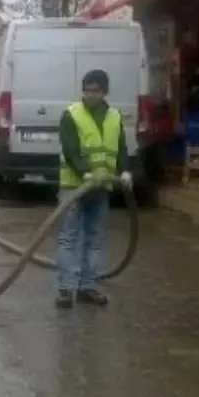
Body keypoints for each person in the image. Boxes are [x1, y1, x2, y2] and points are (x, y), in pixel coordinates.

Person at [56, 69, 133, 309]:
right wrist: (84, 172)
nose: (90, 95)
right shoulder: (71, 115)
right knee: (69, 237)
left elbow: (120, 148)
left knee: (95, 238)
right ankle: (66, 289)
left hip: (102, 186)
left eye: (95, 91)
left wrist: (124, 171)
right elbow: (69, 149)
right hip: (74, 186)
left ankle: (87, 286)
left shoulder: (114, 117)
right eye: (87, 90)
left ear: (104, 92)